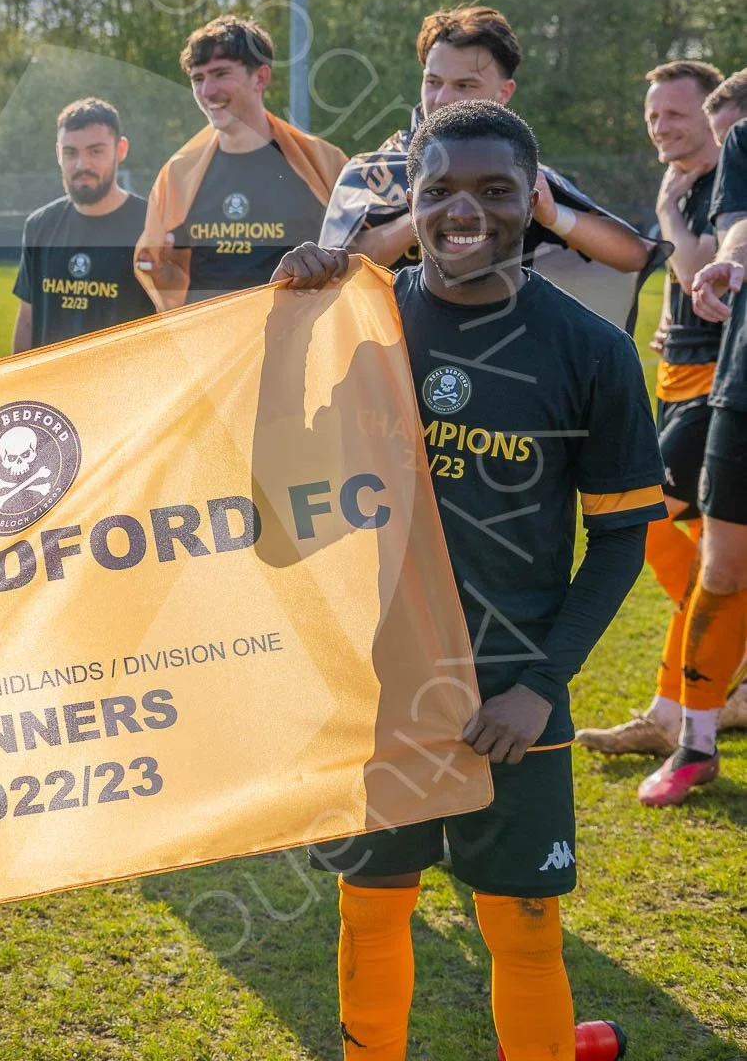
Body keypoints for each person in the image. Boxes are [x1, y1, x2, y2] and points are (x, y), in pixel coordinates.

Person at [275, 100, 665, 1059]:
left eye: (495, 192)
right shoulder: (360, 325)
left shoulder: (594, 352)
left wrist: (541, 689)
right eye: (440, 191)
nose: (465, 213)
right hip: (381, 686)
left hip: (514, 695)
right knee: (372, 908)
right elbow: (278, 483)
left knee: (521, 927)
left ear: (532, 200)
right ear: (411, 200)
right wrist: (291, 321)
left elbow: (620, 543)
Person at [577, 62, 747, 759]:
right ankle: (699, 686)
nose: (661, 126)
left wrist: (674, 222)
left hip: (719, 381)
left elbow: (703, 260)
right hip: (679, 374)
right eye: (653, 115)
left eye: (674, 114)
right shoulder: (686, 182)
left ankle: (678, 703)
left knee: (640, 513)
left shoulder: (712, 184)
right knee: (703, 549)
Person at [320, 6, 656, 284]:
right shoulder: (376, 169)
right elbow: (337, 267)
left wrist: (554, 217)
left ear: (504, 93)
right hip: (393, 351)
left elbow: (634, 255)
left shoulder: (523, 177)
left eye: (465, 85)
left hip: (501, 353)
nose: (442, 99)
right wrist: (427, 210)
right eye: (433, 82)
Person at [630, 111, 747, 805]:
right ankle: (693, 742)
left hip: (702, 387)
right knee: (722, 566)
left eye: (677, 112)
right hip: (736, 381)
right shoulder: (744, 140)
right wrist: (731, 258)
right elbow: (738, 226)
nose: (664, 126)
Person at [133, 13, 347, 309]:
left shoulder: (322, 163)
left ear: (260, 77)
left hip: (297, 341)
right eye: (198, 78)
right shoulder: (179, 173)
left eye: (221, 74)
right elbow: (169, 287)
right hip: (212, 346)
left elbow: (353, 256)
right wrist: (158, 270)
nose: (207, 91)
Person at [12, 98, 151, 350]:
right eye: (70, 152)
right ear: (58, 153)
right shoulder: (39, 226)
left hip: (120, 387)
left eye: (95, 151)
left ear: (120, 149)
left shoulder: (152, 226)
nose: (82, 165)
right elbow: (26, 321)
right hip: (52, 386)